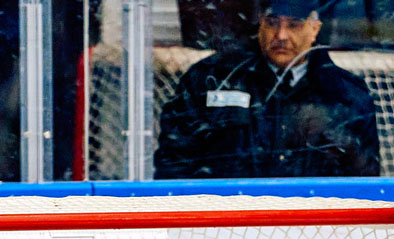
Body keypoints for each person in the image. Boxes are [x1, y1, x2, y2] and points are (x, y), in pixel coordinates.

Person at [153, 0, 380, 179]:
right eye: (272, 23)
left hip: (311, 220)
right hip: (227, 217)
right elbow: (173, 165)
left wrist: (333, 136)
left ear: (314, 29)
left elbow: (365, 178)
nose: (281, 35)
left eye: (294, 25)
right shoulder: (211, 78)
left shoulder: (346, 94)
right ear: (260, 24)